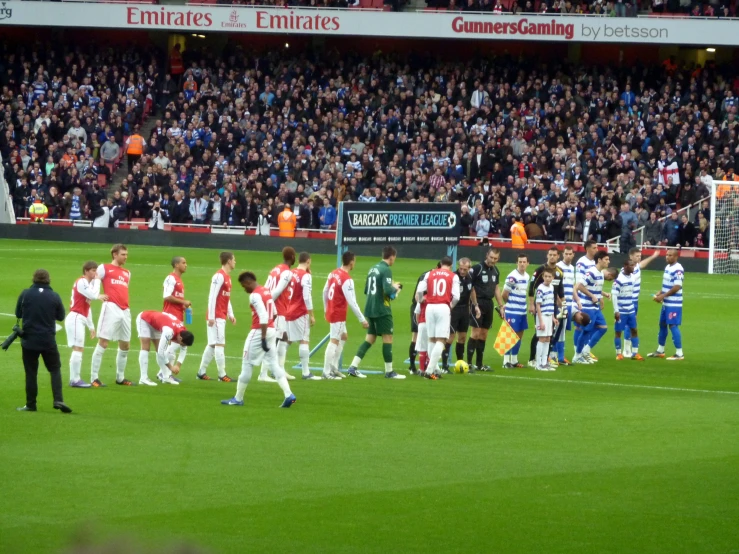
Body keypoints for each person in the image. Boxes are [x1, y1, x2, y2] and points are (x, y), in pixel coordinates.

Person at [221, 272, 296, 408]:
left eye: (244, 286)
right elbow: (273, 313)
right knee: (274, 364)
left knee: (247, 363)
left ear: (248, 282)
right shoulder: (266, 291)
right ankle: (288, 394)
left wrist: (262, 336)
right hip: (272, 330)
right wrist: (269, 331)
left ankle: (238, 398)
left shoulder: (255, 295)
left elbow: (263, 315)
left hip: (258, 331)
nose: (244, 289)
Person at [14, 269, 72, 413]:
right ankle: (58, 399)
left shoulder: (25, 293)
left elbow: (18, 313)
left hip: (29, 340)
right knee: (55, 369)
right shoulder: (54, 296)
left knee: (31, 373)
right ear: (48, 279)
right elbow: (60, 317)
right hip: (48, 340)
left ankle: (31, 404)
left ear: (33, 279)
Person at [347, 246, 405, 379]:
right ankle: (389, 371)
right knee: (388, 337)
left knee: (370, 338)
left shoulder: (372, 268)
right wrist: (395, 288)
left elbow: (367, 290)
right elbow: (387, 290)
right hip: (382, 309)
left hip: (370, 307)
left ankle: (353, 366)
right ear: (391, 257)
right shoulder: (386, 270)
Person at [90, 244, 134, 387]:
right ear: (115, 254)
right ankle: (94, 377)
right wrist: (96, 294)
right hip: (111, 307)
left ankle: (120, 377)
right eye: (123, 254)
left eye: (126, 254)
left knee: (125, 344)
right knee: (103, 342)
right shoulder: (104, 268)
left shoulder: (127, 273)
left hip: (125, 309)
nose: (125, 257)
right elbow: (94, 280)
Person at [322, 251, 369, 379]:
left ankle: (334, 367)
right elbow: (352, 301)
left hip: (332, 310)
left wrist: (326, 307)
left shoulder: (333, 273)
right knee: (334, 340)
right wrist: (362, 319)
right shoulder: (346, 280)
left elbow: (325, 291)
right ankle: (326, 372)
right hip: (338, 313)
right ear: (351, 262)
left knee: (343, 336)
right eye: (355, 261)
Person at [65, 261, 107, 388]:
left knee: (78, 348)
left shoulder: (86, 283)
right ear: (86, 271)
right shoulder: (82, 282)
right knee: (78, 348)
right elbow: (93, 296)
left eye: (96, 270)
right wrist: (98, 281)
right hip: (76, 317)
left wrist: (91, 326)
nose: (95, 273)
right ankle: (75, 379)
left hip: (80, 317)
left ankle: (75, 378)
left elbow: (87, 307)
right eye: (93, 270)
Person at [258, 247, 297, 383]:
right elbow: (277, 291)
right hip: (277, 309)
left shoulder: (275, 269)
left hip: (279, 309)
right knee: (273, 341)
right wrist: (268, 305)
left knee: (284, 338)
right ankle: (263, 374)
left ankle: (279, 370)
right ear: (292, 256)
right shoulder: (287, 273)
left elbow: (266, 286)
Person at [418, 257, 460, 380]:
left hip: (429, 307)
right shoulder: (453, 276)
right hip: (443, 306)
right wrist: (450, 306)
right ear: (451, 265)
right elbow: (456, 296)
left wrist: (421, 300)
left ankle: (435, 369)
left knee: (431, 339)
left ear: (440, 264)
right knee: (441, 340)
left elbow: (420, 289)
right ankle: (429, 370)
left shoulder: (429, 273)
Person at [197, 252, 237, 381]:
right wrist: (211, 316)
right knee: (219, 344)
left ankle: (201, 372)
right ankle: (222, 374)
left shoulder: (228, 277)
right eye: (234, 260)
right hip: (216, 316)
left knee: (212, 344)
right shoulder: (218, 276)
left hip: (221, 314)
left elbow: (226, 297)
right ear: (229, 261)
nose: (235, 262)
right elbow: (212, 296)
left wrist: (231, 313)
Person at [573, 251, 616, 364]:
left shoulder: (600, 273)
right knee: (586, 331)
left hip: (595, 307)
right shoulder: (591, 272)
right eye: (606, 259)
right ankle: (577, 355)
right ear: (599, 260)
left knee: (603, 327)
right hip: (587, 307)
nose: (608, 261)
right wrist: (592, 296)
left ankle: (586, 351)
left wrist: (603, 294)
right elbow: (579, 286)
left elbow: (594, 287)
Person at [527, 247, 565, 368]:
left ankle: (545, 360)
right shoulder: (540, 270)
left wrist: (562, 305)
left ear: (558, 256)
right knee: (539, 334)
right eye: (550, 254)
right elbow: (532, 287)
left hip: (551, 308)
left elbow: (559, 291)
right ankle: (533, 359)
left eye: (554, 255)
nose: (552, 257)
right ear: (547, 255)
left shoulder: (559, 272)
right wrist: (531, 304)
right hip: (541, 308)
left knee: (549, 335)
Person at [284, 252, 319, 380]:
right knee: (304, 339)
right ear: (308, 261)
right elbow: (306, 296)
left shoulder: (291, 272)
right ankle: (305, 372)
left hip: (287, 310)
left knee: (287, 340)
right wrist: (312, 314)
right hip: (299, 311)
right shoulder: (306, 276)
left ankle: (277, 367)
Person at [135, 311, 194, 386]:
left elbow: (184, 349)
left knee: (158, 347)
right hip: (144, 319)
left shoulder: (183, 331)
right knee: (146, 347)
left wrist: (178, 366)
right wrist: (171, 367)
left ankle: (165, 377)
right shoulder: (169, 331)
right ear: (180, 338)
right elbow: (161, 352)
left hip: (156, 323)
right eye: (181, 344)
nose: (181, 345)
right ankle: (143, 378)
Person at [622, 248, 659, 357]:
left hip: (634, 301)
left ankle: (627, 350)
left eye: (640, 256)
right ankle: (626, 350)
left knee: (632, 324)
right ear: (631, 257)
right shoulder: (626, 270)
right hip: (629, 301)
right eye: (637, 256)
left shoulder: (636, 266)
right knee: (630, 325)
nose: (639, 258)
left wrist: (653, 256)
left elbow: (642, 264)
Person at [648, 249, 685, 361]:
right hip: (667, 303)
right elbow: (668, 285)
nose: (667, 257)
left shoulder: (678, 269)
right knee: (662, 324)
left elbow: (677, 286)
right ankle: (660, 350)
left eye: (670, 255)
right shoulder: (668, 267)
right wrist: (659, 293)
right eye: (666, 255)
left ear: (676, 257)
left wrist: (662, 296)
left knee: (673, 325)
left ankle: (679, 353)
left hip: (674, 303)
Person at [445, 258, 480, 372]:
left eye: (465, 269)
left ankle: (459, 363)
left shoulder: (470, 277)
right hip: (453, 310)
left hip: (465, 310)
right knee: (450, 337)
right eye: (460, 268)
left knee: (462, 337)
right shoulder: (453, 277)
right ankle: (444, 366)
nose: (462, 271)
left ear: (469, 268)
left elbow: (472, 291)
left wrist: (475, 305)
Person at [162, 256, 192, 377]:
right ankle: (164, 373)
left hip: (178, 315)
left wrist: (183, 306)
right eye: (183, 263)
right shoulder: (171, 278)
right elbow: (166, 296)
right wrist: (183, 302)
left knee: (176, 344)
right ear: (176, 265)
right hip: (170, 315)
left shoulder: (179, 280)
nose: (186, 265)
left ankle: (167, 374)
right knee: (178, 344)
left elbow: (175, 298)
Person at [501, 254, 530, 369]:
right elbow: (504, 294)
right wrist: (510, 305)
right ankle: (506, 361)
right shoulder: (512, 276)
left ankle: (514, 360)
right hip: (513, 311)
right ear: (516, 263)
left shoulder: (527, 276)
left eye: (524, 262)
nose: (522, 264)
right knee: (509, 335)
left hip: (522, 311)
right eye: (520, 262)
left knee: (519, 335)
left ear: (528, 263)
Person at [612, 259, 643, 361]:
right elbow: (614, 296)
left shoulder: (633, 277)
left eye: (634, 265)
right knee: (618, 332)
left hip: (630, 309)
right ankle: (618, 353)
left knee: (634, 329)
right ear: (625, 266)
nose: (633, 267)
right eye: (631, 265)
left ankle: (635, 353)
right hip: (621, 310)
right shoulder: (619, 279)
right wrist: (616, 311)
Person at [573, 240, 598, 360]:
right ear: (587, 249)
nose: (596, 250)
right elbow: (579, 283)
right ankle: (576, 352)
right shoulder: (581, 262)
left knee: (590, 326)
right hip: (582, 299)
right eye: (594, 248)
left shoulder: (595, 262)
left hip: (592, 300)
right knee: (580, 327)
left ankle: (583, 351)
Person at [553, 246, 575, 365]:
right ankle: (556, 356)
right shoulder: (558, 267)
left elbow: (572, 286)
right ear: (562, 254)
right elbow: (554, 287)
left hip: (569, 303)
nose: (568, 256)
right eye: (566, 253)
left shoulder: (572, 268)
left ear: (573, 255)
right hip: (560, 304)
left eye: (570, 253)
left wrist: (576, 300)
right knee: (557, 329)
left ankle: (560, 357)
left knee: (563, 331)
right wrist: (559, 303)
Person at [534, 269, 557, 371]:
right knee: (542, 338)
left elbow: (551, 303)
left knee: (548, 338)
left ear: (553, 278)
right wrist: (541, 321)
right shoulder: (540, 289)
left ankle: (544, 362)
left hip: (549, 316)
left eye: (549, 277)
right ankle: (538, 363)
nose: (548, 278)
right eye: (546, 276)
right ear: (543, 277)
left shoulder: (551, 287)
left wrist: (553, 318)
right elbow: (538, 305)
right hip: (542, 315)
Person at [408, 270, 429, 375]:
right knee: (416, 337)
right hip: (420, 308)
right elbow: (418, 296)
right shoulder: (426, 276)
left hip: (427, 308)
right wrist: (421, 302)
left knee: (429, 340)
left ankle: (426, 366)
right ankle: (412, 366)